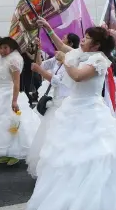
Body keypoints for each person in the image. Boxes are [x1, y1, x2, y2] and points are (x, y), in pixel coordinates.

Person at [26, 27, 116, 210]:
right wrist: (46, 27)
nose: (82, 40)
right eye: (83, 37)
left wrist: (64, 61)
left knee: (96, 154)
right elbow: (61, 46)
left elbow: (77, 75)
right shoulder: (80, 53)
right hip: (71, 108)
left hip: (90, 109)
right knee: (67, 156)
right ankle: (67, 199)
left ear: (97, 44)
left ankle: (97, 203)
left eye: (87, 38)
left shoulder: (99, 60)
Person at [0, 20, 40, 165]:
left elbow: (17, 83)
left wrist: (14, 100)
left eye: (6, 48)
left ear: (11, 48)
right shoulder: (0, 56)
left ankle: (15, 154)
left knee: (14, 123)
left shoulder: (14, 60)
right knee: (0, 125)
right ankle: (6, 151)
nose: (2, 50)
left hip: (9, 94)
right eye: (1, 48)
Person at [27, 30, 80, 178]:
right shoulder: (57, 59)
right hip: (55, 100)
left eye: (64, 39)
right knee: (49, 137)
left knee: (63, 137)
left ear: (69, 44)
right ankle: (50, 169)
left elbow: (58, 80)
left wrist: (40, 71)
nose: (60, 41)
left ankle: (65, 168)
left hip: (65, 101)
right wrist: (38, 49)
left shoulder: (73, 60)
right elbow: (40, 65)